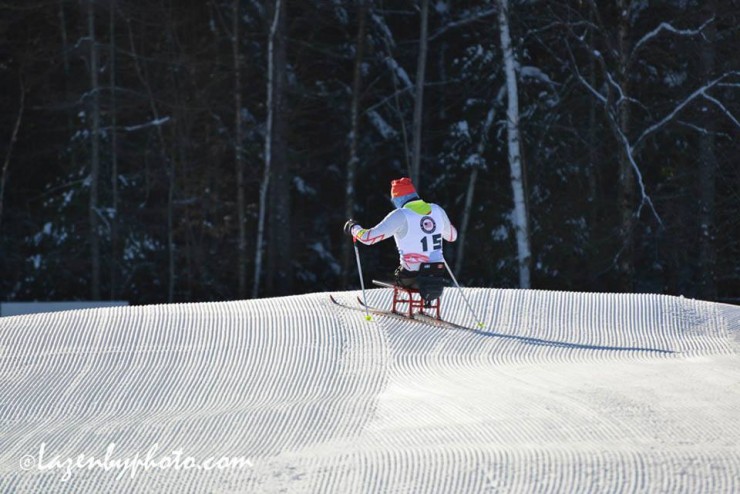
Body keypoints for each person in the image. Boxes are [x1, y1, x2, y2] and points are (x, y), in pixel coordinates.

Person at [343, 177, 457, 299]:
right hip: (436, 274)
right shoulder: (437, 209)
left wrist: (353, 228)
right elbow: (452, 236)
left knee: (395, 274)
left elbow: (368, 239)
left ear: (398, 198)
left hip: (410, 276)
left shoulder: (401, 215)